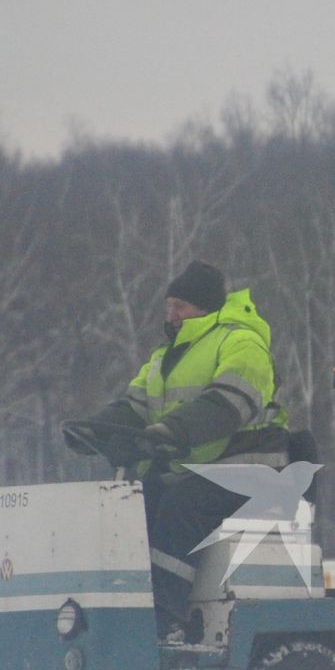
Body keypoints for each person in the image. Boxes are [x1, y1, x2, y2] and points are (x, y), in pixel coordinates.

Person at [67, 260, 291, 635]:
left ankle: (166, 615)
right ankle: (128, 608)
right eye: (169, 305)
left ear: (203, 308)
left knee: (180, 506)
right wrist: (97, 430)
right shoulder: (164, 358)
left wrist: (171, 431)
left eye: (180, 307)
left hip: (252, 469)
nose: (171, 314)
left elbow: (226, 406)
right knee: (137, 501)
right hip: (200, 468)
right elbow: (134, 407)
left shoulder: (242, 342)